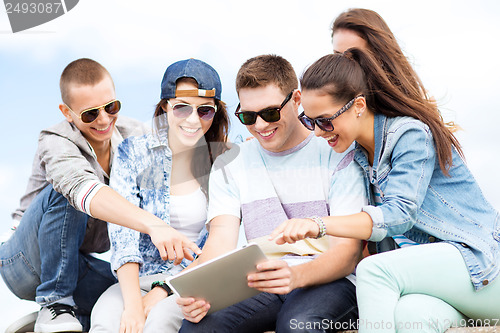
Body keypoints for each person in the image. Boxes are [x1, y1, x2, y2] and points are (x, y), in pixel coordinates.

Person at [269, 48, 500, 332]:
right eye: (310, 120)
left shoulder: (410, 135)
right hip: (441, 289)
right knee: (410, 317)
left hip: (482, 266)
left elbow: (399, 215)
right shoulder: (356, 157)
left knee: (374, 271)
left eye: (325, 120)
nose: (318, 131)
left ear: (358, 106)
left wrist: (318, 225)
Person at [0, 58, 201, 333]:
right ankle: (55, 302)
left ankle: (74, 320)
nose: (104, 119)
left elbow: (176, 154)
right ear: (67, 113)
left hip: (75, 262)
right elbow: (85, 191)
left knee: (124, 294)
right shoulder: (55, 141)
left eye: (111, 107)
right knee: (67, 193)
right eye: (90, 114)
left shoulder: (135, 137)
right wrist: (155, 225)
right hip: (24, 262)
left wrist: (248, 147)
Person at [177, 54, 367, 333]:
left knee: (297, 325)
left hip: (330, 280)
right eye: (248, 116)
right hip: (261, 280)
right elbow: (219, 244)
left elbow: (347, 254)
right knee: (200, 328)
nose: (260, 126)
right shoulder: (231, 163)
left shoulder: (335, 151)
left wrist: (295, 275)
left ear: (297, 100)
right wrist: (197, 291)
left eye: (270, 113)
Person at [90, 58, 229, 333]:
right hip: (134, 278)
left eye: (204, 111)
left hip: (189, 279)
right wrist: (133, 305)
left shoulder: (222, 164)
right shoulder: (133, 152)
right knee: (105, 321)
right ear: (165, 106)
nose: (192, 119)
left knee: (160, 322)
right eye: (181, 108)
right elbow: (123, 232)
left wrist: (163, 290)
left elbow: (216, 243)